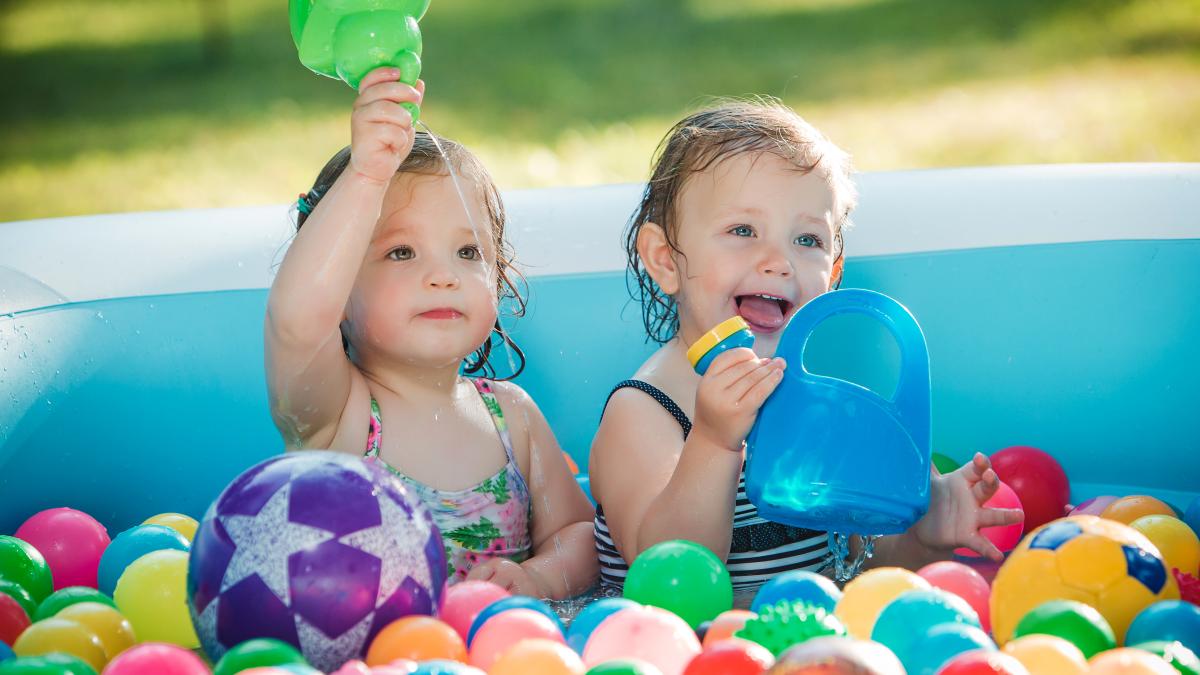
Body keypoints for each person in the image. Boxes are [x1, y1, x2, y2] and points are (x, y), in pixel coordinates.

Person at [589, 99, 1021, 593]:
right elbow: (668, 571)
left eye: (808, 240)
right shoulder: (644, 410)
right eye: (743, 230)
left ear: (833, 276)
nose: (778, 261)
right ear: (665, 260)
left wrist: (924, 539)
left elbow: (857, 566)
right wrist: (713, 441)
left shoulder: (821, 410)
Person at [265, 67, 597, 598]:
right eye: (401, 252)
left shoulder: (512, 418)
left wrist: (537, 575)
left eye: (468, 252)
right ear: (340, 292)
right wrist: (367, 179)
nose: (443, 275)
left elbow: (578, 534)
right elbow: (298, 320)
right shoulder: (338, 417)